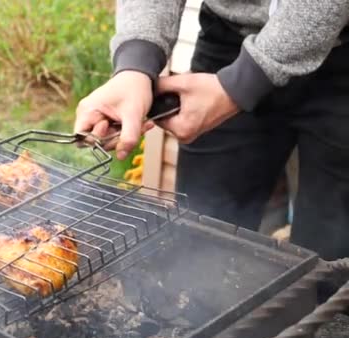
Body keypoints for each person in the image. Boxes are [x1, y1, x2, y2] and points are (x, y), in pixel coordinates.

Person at [74, 1, 349, 260]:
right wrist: (136, 63)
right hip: (229, 39)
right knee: (200, 242)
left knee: (333, 257)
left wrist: (241, 84)